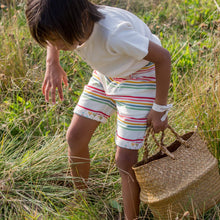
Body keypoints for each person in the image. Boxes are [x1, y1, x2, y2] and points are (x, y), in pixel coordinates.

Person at [26, 0, 171, 219]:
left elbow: (163, 57)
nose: (54, 44)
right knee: (75, 137)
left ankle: (130, 217)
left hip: (139, 76)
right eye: (49, 40)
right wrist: (51, 62)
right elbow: (52, 34)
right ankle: (81, 198)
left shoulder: (115, 34)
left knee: (125, 159)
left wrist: (159, 109)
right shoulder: (74, 20)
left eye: (57, 39)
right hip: (107, 75)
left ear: (80, 19)